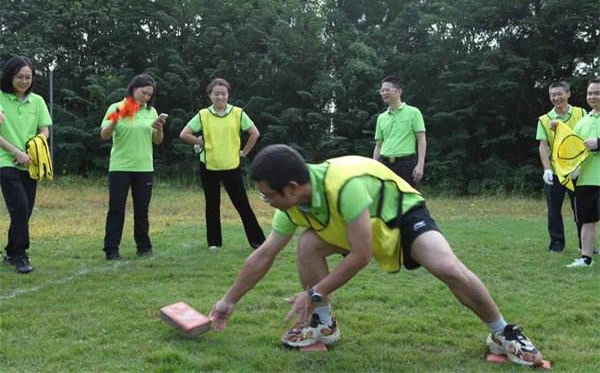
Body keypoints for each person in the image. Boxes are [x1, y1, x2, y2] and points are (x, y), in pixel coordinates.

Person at [209, 144, 544, 367]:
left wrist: (313, 292)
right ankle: (323, 324)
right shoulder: (292, 206)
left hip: (401, 214)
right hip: (358, 224)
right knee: (308, 243)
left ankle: (503, 333)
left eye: (268, 195)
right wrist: (228, 301)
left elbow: (360, 255)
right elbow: (264, 255)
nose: (265, 200)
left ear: (293, 188)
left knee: (447, 267)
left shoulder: (343, 185)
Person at [180, 78, 265, 250]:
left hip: (231, 166)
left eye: (223, 94)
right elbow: (184, 133)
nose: (220, 97)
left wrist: (244, 152)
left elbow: (254, 133)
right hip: (209, 166)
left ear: (228, 95)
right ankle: (214, 244)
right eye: (216, 94)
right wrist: (201, 142)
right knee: (211, 205)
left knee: (242, 204)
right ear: (210, 96)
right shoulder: (203, 115)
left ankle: (258, 241)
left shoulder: (238, 113)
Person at [100, 73, 165, 261]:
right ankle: (111, 249)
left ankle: (144, 247)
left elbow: (157, 141)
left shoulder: (151, 112)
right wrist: (115, 120)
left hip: (144, 167)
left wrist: (159, 128)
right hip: (120, 166)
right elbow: (104, 135)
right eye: (144, 93)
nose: (146, 97)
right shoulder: (117, 107)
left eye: (149, 95)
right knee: (116, 208)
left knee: (142, 209)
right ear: (134, 88)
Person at [0, 56, 53, 273]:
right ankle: (21, 254)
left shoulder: (38, 101)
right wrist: (15, 152)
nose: (23, 81)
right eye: (19, 77)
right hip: (5, 159)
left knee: (26, 210)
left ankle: (11, 251)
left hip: (31, 162)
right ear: (10, 76)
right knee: (19, 206)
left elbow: (45, 130)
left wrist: (35, 145)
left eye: (28, 77)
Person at [536, 81, 586, 252]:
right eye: (552, 95)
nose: (556, 98)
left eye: (559, 94)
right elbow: (543, 145)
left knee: (581, 209)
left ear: (568, 94)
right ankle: (556, 243)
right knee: (554, 210)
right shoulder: (545, 119)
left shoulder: (581, 113)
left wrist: (580, 165)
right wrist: (547, 169)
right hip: (556, 172)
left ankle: (585, 244)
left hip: (578, 171)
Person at [566, 78, 600, 267]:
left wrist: (599, 143)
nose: (592, 96)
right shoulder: (583, 121)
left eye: (597, 93)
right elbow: (573, 147)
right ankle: (586, 259)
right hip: (585, 179)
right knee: (587, 220)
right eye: (590, 93)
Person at [372, 76, 426, 187]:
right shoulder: (381, 118)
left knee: (406, 201)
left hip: (405, 165)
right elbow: (378, 146)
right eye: (382, 90)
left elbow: (421, 140)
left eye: (387, 90)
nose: (384, 93)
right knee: (386, 200)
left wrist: (420, 164)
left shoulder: (414, 112)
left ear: (399, 91)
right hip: (384, 164)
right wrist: (374, 167)